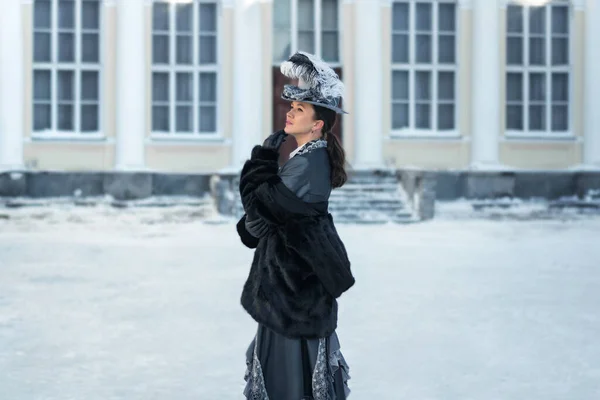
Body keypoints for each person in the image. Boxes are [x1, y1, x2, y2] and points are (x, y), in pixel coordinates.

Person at [236, 51, 355, 400]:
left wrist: (261, 162)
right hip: (289, 287)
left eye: (299, 110)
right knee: (285, 372)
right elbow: (265, 215)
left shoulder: (308, 164)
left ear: (317, 124)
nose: (289, 112)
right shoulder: (304, 158)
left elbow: (261, 206)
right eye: (291, 107)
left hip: (294, 292)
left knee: (290, 379)